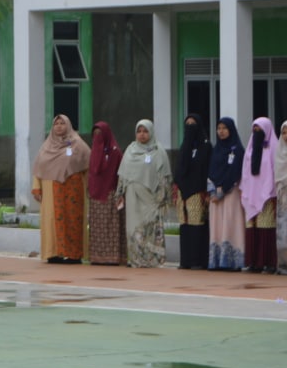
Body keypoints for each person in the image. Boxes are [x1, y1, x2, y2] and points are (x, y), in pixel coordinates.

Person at [31, 114, 90, 264]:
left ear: (68, 125)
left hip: (73, 189)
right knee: (52, 220)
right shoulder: (46, 146)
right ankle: (53, 253)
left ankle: (74, 254)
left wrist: (90, 186)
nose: (59, 126)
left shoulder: (78, 144)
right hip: (51, 188)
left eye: (62, 123)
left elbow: (88, 165)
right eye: (56, 124)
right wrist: (37, 188)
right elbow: (38, 168)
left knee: (73, 220)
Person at [115, 119, 172, 268]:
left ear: (151, 132)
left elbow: (164, 176)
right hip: (133, 195)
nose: (142, 135)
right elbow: (123, 174)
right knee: (133, 228)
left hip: (151, 197)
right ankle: (135, 259)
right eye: (139, 131)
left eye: (145, 131)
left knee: (150, 228)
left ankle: (152, 260)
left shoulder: (158, 151)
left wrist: (162, 196)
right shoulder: (130, 150)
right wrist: (119, 192)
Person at [173, 114, 211, 270]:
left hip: (198, 190)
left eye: (193, 124)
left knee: (197, 224)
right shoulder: (184, 146)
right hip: (183, 190)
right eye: (187, 124)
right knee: (184, 225)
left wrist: (206, 191)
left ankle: (198, 260)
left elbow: (206, 169)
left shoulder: (206, 146)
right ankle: (186, 261)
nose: (189, 127)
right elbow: (180, 168)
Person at [207, 117, 245, 270]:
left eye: (224, 128)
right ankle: (217, 261)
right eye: (219, 128)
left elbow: (235, 171)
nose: (221, 131)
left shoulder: (237, 149)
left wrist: (223, 190)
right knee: (217, 225)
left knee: (231, 224)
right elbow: (211, 170)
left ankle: (232, 261)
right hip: (215, 194)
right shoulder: (217, 149)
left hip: (231, 193)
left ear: (231, 130)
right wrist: (214, 189)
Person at [86, 121, 127, 266]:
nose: (97, 137)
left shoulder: (115, 152)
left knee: (111, 225)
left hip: (110, 193)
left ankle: (113, 256)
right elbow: (93, 172)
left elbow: (121, 173)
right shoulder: (94, 152)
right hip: (95, 195)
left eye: (100, 134)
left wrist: (119, 192)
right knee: (97, 227)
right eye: (95, 134)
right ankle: (97, 256)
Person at [241, 117, 278, 274]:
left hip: (267, 195)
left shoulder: (273, 148)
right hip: (251, 194)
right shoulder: (249, 149)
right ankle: (253, 262)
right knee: (252, 228)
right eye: (254, 130)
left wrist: (270, 191)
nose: (256, 133)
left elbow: (275, 171)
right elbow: (245, 171)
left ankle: (268, 263)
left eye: (260, 130)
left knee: (266, 227)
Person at [276, 121, 287, 274]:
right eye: (283, 133)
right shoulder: (278, 152)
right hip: (283, 198)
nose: (285, 136)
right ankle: (283, 264)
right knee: (283, 233)